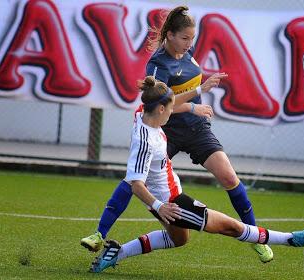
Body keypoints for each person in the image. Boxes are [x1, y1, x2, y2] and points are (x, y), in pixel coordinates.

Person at [81, 5, 274, 263]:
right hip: (167, 129)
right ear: (170, 35)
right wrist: (195, 103)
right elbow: (161, 104)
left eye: (192, 38)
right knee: (133, 178)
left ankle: (255, 237)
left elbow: (185, 83)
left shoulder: (186, 53)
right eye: (185, 38)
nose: (189, 43)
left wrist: (196, 105)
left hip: (195, 129)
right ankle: (99, 234)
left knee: (228, 176)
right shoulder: (158, 65)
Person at [89, 76, 304, 273]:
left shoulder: (142, 114)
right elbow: (135, 183)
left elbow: (172, 103)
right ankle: (289, 239)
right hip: (174, 204)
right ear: (160, 109)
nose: (171, 112)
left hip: (170, 198)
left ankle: (116, 253)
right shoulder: (145, 140)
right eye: (169, 109)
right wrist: (160, 206)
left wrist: (195, 96)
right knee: (232, 227)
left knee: (179, 239)